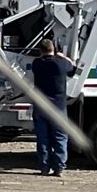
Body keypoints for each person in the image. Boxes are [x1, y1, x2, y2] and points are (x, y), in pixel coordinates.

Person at [28, 38, 76, 176]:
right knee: (60, 137)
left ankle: (44, 167)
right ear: (53, 48)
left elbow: (39, 59)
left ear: (40, 51)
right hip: (58, 108)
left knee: (43, 138)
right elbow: (72, 68)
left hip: (41, 107)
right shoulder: (61, 64)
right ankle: (59, 167)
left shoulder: (37, 64)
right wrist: (62, 56)